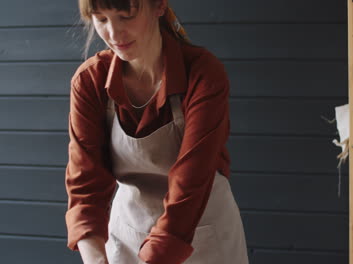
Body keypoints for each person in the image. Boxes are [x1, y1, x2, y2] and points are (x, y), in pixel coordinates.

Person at [64, 0, 249, 263]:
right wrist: (96, 259)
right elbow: (86, 186)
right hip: (127, 235)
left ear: (159, 6)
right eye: (102, 20)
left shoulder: (202, 74)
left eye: (125, 16)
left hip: (201, 234)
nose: (114, 35)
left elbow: (191, 182)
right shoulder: (89, 81)